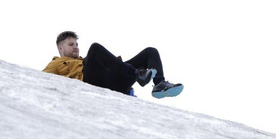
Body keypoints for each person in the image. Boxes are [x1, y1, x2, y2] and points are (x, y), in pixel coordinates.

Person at [43, 31, 183, 98]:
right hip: (92, 81)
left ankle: (159, 84)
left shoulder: (82, 59)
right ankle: (137, 74)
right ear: (60, 48)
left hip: (114, 81)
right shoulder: (56, 63)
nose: (76, 47)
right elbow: (39, 79)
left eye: (77, 44)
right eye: (71, 44)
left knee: (150, 52)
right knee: (95, 48)